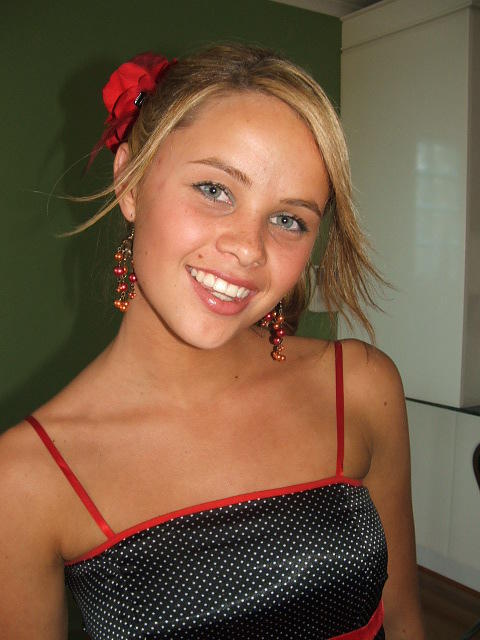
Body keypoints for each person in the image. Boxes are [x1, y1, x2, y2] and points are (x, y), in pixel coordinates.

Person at [0, 44, 425, 639]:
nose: (249, 248)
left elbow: (403, 617)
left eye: (289, 219)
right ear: (130, 180)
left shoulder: (359, 386)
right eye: (215, 189)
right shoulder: (24, 479)